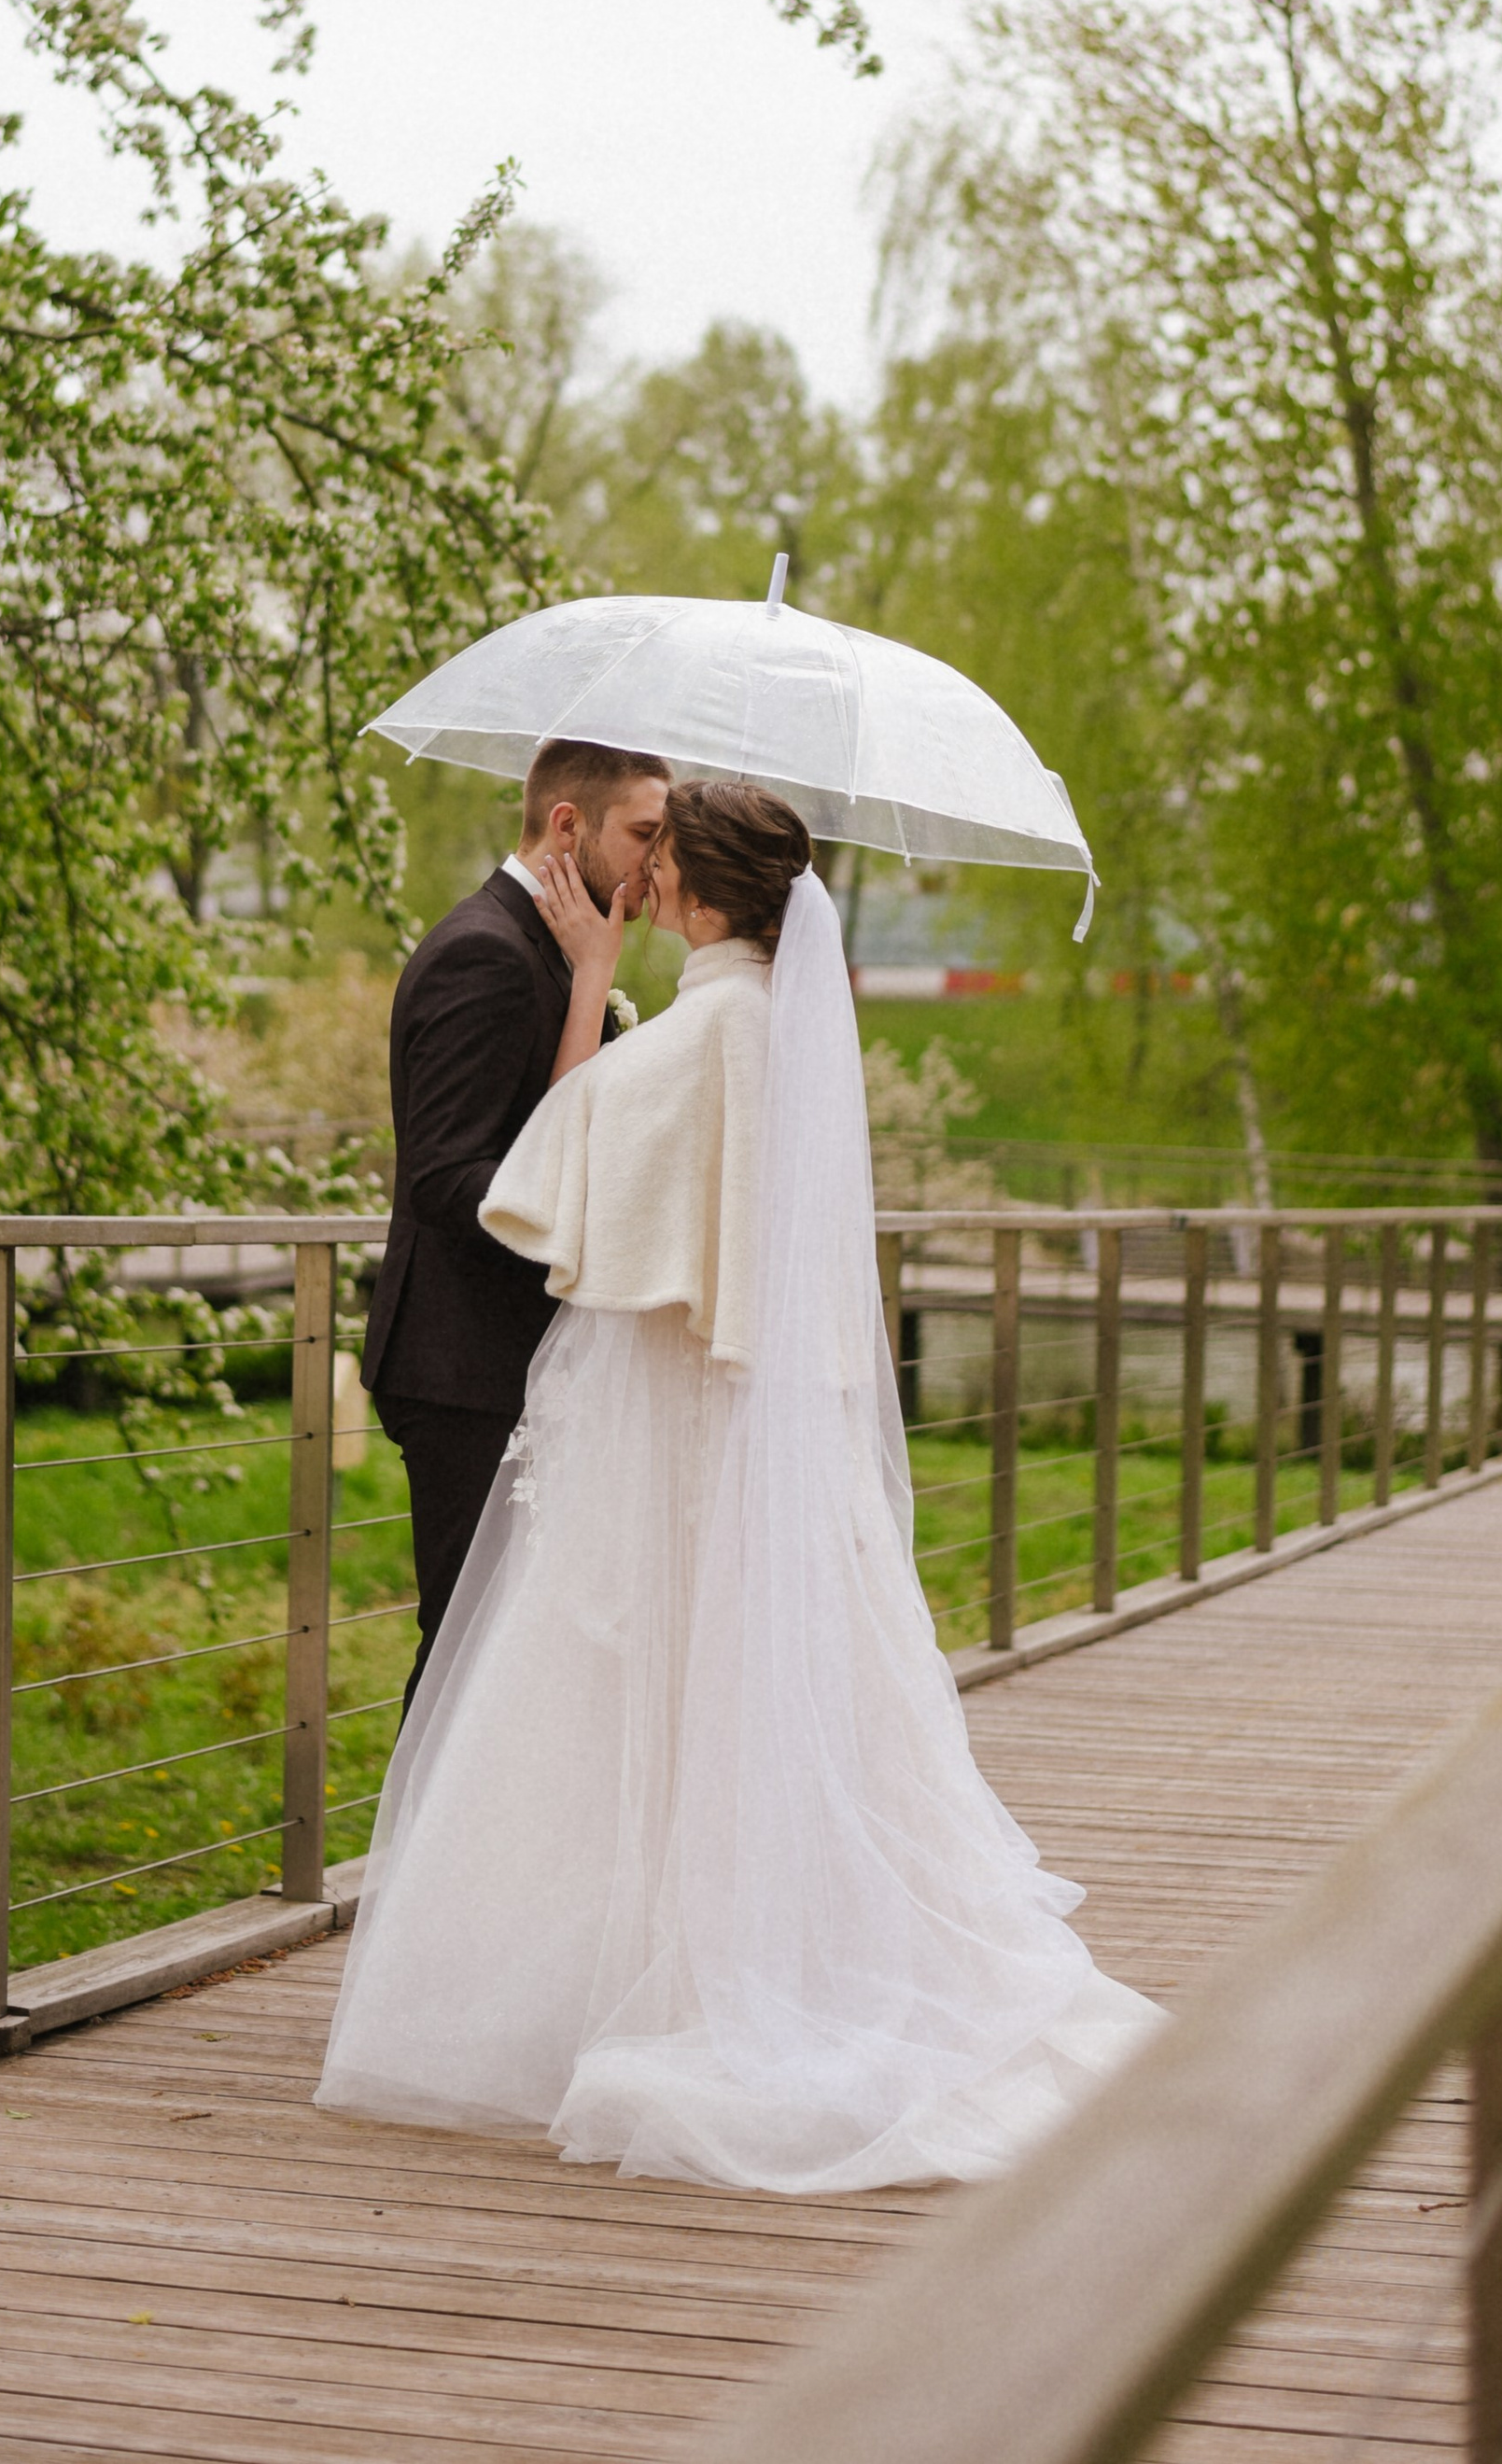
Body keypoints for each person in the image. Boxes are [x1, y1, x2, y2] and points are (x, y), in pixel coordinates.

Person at [318, 777, 1163, 2194]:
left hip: (665, 1434)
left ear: (700, 893)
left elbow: (547, 1167)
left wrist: (592, 981)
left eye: (661, 858)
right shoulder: (783, 1033)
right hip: (758, 1430)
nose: (639, 878)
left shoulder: (698, 1028)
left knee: (627, 1690)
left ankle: (639, 1974)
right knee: (750, 1695)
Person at [361, 736, 668, 1712]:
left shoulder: (552, 951)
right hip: (463, 1369)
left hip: (512, 1361)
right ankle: (414, 1868)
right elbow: (451, 1179)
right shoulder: (483, 956)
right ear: (567, 825)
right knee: (466, 1650)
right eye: (643, 836)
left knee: (512, 1651)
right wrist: (586, 1223)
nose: (655, 865)